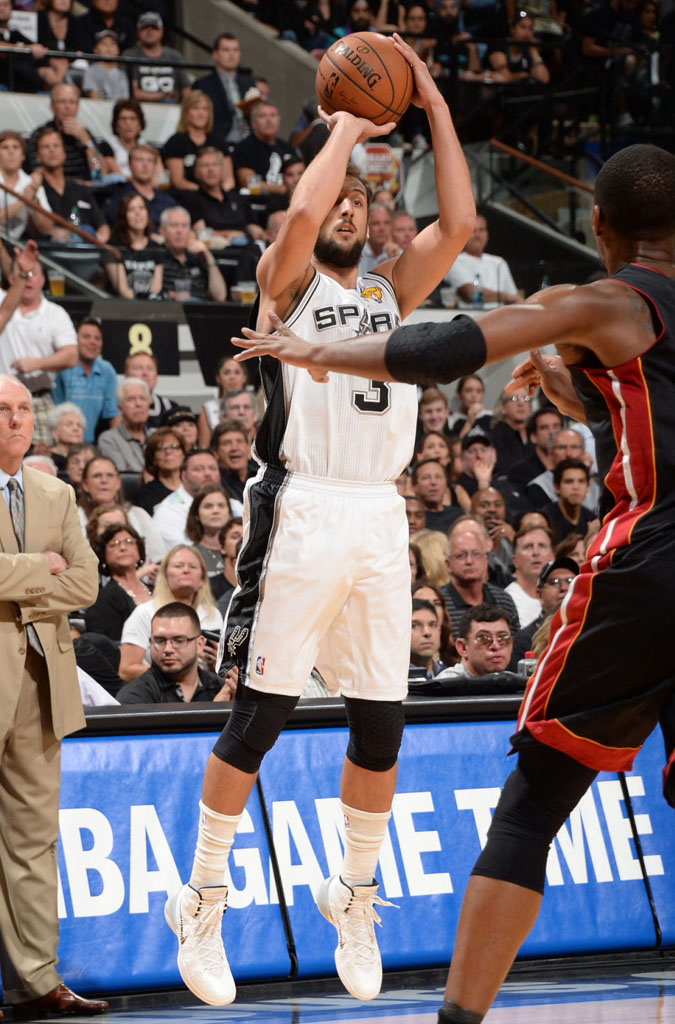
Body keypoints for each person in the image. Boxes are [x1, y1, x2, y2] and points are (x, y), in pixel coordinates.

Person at [231, 142, 675, 1024]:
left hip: (654, 562)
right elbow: (641, 397)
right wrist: (575, 390)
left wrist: (315, 351)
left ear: (596, 223)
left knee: (533, 806)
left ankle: (457, 1022)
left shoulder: (608, 301)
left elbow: (440, 350)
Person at [164, 31, 475, 1010]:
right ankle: (202, 896)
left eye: (361, 202)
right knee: (258, 718)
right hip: (300, 509)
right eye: (338, 198)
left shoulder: (392, 290)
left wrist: (430, 100)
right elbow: (302, 208)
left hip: (382, 519)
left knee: (382, 725)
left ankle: (356, 895)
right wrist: (345, 121)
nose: (347, 207)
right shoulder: (286, 282)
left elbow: (459, 223)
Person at [0, 374, 106, 1018]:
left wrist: (19, 580)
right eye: (1, 411)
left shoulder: (55, 491)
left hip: (41, 685)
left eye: (20, 410)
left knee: (35, 840)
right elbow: (60, 575)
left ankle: (38, 981)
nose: (15, 420)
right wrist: (43, 569)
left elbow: (88, 583)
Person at [0, 251, 77, 445]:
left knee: (43, 458)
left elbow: (71, 356)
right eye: (24, 275)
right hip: (2, 399)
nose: (29, 280)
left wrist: (36, 364)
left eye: (34, 274)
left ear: (43, 280)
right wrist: (22, 272)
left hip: (38, 398)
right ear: (12, 279)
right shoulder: (3, 303)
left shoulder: (55, 313)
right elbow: (6, 311)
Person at [119, 544, 222, 681]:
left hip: (205, 692)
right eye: (178, 566)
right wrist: (176, 670)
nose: (186, 570)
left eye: (193, 567)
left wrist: (218, 664)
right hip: (158, 693)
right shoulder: (144, 613)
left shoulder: (213, 614)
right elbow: (126, 671)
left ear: (202, 580)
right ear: (165, 577)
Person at [117, 602, 236, 704]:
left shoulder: (222, 688)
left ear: (200, 644)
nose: (168, 649)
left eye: (179, 641)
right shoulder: (134, 696)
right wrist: (215, 710)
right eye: (159, 641)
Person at [77, 455, 164, 564]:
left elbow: (158, 558)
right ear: (85, 484)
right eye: (97, 476)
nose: (104, 480)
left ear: (118, 482)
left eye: (110, 475)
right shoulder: (75, 519)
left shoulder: (139, 514)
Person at [440, 521, 520, 637]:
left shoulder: (503, 600)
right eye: (461, 556)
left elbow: (515, 645)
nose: (469, 561)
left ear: (486, 560)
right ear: (447, 564)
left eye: (476, 554)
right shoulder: (440, 602)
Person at [33, 128, 109, 244]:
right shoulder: (36, 188)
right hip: (51, 251)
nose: (52, 150)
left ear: (64, 154)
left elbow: (102, 226)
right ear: (38, 156)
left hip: (87, 249)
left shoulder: (80, 189)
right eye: (46, 147)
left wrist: (99, 239)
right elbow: (43, 229)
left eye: (56, 146)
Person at [52, 317, 118, 443]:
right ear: (75, 340)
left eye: (97, 338)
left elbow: (114, 414)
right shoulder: (63, 367)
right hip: (62, 442)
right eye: (86, 337)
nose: (92, 342)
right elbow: (55, 413)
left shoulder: (107, 370)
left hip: (93, 445)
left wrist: (116, 445)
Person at [84, 522, 152, 641]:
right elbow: (108, 647)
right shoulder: (101, 601)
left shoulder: (156, 589)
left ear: (139, 552)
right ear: (103, 555)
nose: (123, 548)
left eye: (129, 542)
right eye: (114, 544)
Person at [185, 147, 264, 247]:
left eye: (215, 164)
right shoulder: (192, 200)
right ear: (196, 173)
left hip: (248, 246)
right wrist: (227, 234)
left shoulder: (237, 197)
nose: (211, 169)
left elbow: (253, 226)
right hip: (219, 249)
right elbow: (201, 233)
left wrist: (257, 232)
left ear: (223, 170)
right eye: (205, 166)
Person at [25, 82, 102, 181]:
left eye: (72, 102)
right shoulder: (39, 136)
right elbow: (37, 173)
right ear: (52, 107)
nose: (67, 107)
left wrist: (87, 142)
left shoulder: (85, 134)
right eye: (62, 102)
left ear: (77, 108)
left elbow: (98, 172)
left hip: (84, 191)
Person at [191, 32, 257, 145]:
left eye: (235, 50)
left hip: (249, 142)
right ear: (215, 54)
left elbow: (255, 115)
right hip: (219, 143)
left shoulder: (248, 82)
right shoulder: (203, 85)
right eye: (226, 50)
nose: (232, 54)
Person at [443, 212, 520, 308]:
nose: (477, 235)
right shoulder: (454, 261)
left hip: (502, 319)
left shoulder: (499, 262)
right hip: (471, 320)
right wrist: (505, 296)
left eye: (481, 230)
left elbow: (515, 298)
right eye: (472, 230)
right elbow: (470, 294)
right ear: (463, 235)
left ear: (487, 234)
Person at [511, 555, 578, 665]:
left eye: (571, 580)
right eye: (555, 582)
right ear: (539, 594)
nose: (564, 587)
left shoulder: (589, 628)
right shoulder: (524, 639)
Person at [162, 92, 233, 194]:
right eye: (196, 108)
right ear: (186, 113)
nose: (201, 113)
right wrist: (205, 195)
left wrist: (219, 195)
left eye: (205, 109)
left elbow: (229, 180)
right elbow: (178, 181)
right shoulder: (176, 142)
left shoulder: (218, 141)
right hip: (189, 197)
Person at [153, 447, 222, 552]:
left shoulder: (233, 504)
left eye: (212, 468)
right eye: (198, 469)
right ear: (184, 476)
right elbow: (187, 554)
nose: (208, 473)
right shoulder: (168, 512)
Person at [159, 206, 227, 303]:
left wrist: (208, 256)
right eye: (174, 225)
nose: (180, 231)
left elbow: (220, 296)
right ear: (162, 230)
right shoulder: (156, 256)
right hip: (168, 312)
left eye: (184, 226)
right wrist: (170, 296)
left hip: (202, 312)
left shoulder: (199, 255)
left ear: (190, 231)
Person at [231, 100, 298, 195]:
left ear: (278, 121)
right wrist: (282, 190)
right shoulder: (244, 148)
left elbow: (300, 176)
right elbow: (249, 183)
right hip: (259, 204)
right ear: (253, 123)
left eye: (273, 115)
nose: (269, 120)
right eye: (262, 116)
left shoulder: (287, 148)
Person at [104, 192, 164, 299]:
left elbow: (156, 288)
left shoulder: (157, 248)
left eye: (141, 208)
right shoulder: (113, 247)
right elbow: (123, 291)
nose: (138, 213)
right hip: (122, 308)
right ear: (123, 216)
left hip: (152, 307)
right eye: (131, 209)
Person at [123, 11, 190, 104]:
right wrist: (161, 95)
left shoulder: (174, 56)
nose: (149, 31)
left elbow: (186, 90)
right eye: (145, 27)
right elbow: (133, 93)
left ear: (162, 31)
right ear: (138, 32)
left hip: (173, 109)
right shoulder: (130, 55)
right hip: (140, 109)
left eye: (154, 27)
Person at [105, 143, 175, 227]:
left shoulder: (167, 201)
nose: (145, 165)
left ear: (155, 166)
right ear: (130, 166)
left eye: (150, 160)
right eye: (139, 160)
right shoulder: (120, 197)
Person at [437, 604, 514, 678]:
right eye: (483, 638)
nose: (496, 646)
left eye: (503, 637)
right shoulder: (446, 685)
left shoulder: (514, 683)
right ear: (463, 648)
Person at [0, 131, 51, 242]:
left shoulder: (32, 184)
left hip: (21, 244)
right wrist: (23, 200)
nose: (11, 151)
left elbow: (47, 228)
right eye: (5, 147)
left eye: (16, 147)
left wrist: (33, 200)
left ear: (23, 156)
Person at [97, 377, 152, 473]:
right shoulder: (108, 439)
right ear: (119, 408)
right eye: (131, 399)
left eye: (142, 399)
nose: (138, 404)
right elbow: (122, 476)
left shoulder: (156, 436)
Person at [504, 525, 553, 627]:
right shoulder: (507, 600)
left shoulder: (563, 594)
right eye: (528, 547)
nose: (536, 552)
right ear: (515, 560)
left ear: (553, 556)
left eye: (542, 546)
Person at [198, 354, 250, 446]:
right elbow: (204, 447)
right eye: (226, 373)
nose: (232, 377)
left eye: (237, 372)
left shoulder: (256, 406)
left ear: (244, 377)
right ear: (218, 378)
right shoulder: (208, 408)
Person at [133, 427, 187, 515]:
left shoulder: (194, 488)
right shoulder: (145, 495)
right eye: (161, 448)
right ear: (153, 459)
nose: (168, 452)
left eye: (174, 446)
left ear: (183, 454)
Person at [210, 418, 257, 515]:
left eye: (239, 442)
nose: (234, 448)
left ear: (248, 447)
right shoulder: (213, 482)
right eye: (227, 443)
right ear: (216, 452)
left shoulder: (262, 476)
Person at [123, 351, 181, 429]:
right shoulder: (116, 409)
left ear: (156, 376)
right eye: (138, 368)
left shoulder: (171, 408)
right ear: (126, 376)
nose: (145, 373)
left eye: (150, 368)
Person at [543, 458, 597, 541]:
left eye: (581, 481)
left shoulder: (592, 521)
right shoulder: (544, 520)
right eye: (569, 481)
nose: (576, 487)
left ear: (587, 487)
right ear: (557, 487)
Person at [185, 484, 232, 578]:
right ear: (196, 515)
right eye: (208, 506)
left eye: (221, 505)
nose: (215, 511)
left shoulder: (241, 552)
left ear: (229, 513)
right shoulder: (189, 555)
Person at [98, 99, 146, 180]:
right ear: (116, 124)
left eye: (133, 118)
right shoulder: (106, 146)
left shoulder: (146, 146)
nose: (128, 123)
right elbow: (120, 177)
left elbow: (160, 175)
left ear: (140, 125)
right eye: (123, 119)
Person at [412, 457, 462, 532]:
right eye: (426, 477)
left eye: (438, 477)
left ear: (446, 483)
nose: (433, 482)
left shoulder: (459, 517)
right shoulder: (410, 519)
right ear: (414, 486)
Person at [82, 28, 129, 102]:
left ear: (118, 50)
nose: (109, 47)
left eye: (113, 43)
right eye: (104, 43)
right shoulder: (90, 71)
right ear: (95, 49)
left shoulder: (122, 74)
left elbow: (125, 100)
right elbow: (94, 100)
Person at [358, 202, 399, 276]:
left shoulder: (399, 254)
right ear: (366, 226)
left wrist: (396, 260)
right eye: (376, 223)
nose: (382, 228)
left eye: (386, 223)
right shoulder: (356, 254)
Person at [409, 597, 444, 679]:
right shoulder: (393, 680)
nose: (427, 632)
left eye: (432, 625)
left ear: (439, 630)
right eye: (415, 625)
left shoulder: (450, 676)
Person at [43, 401, 85, 470]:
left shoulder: (90, 458)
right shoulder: (47, 457)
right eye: (69, 424)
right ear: (54, 432)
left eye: (79, 425)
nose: (76, 428)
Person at [213, 516, 243, 611]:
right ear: (222, 548)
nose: (243, 540)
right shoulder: (210, 589)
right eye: (235, 537)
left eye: (247, 536)